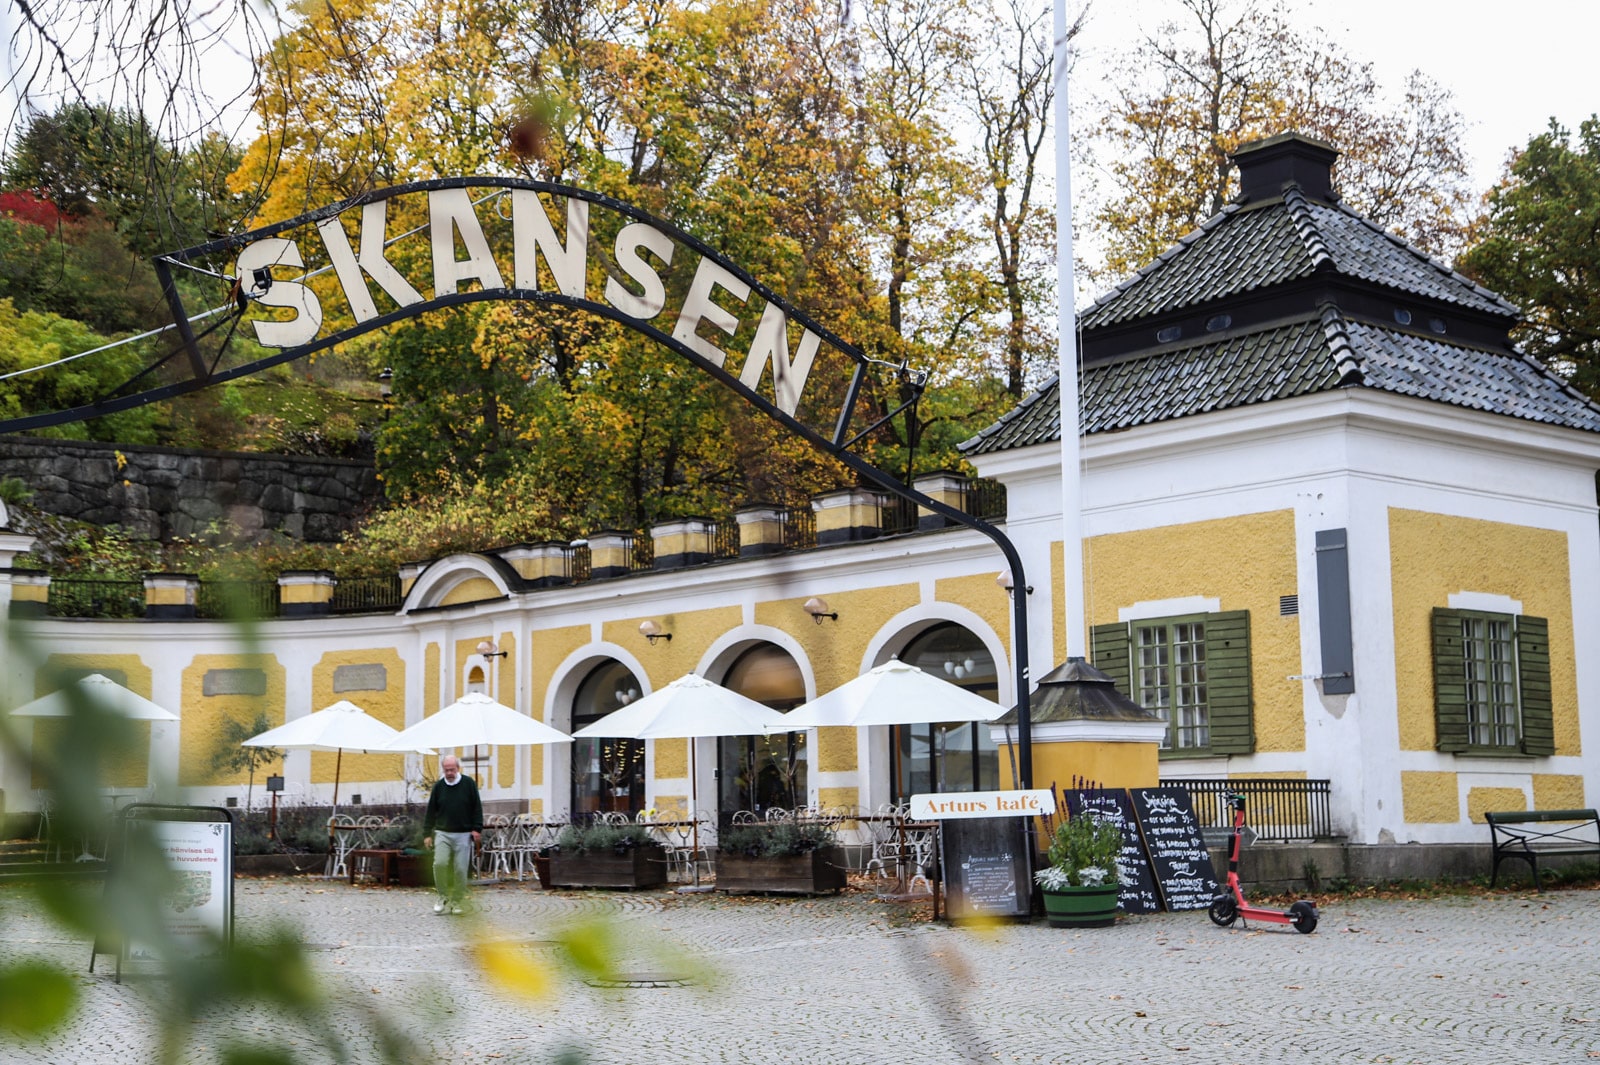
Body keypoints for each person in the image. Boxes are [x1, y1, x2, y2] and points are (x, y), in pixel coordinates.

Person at [422, 754, 482, 914]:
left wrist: (477, 828)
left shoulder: (468, 784)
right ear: (443, 769)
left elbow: (477, 807)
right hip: (443, 832)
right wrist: (427, 833)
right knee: (439, 864)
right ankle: (442, 896)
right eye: (446, 770)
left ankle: (457, 901)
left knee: (460, 869)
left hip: (463, 833)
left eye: (452, 770)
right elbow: (431, 811)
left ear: (458, 768)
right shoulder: (439, 787)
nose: (449, 773)